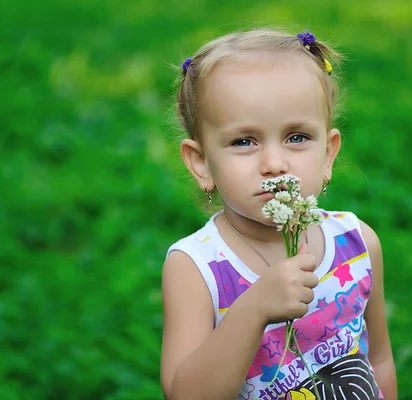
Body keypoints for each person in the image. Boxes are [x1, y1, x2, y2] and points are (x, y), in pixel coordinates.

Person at [161, 28, 397, 400]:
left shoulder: (358, 243)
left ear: (329, 153)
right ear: (202, 162)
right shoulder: (195, 267)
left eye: (297, 137)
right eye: (244, 142)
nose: (275, 163)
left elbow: (378, 360)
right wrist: (253, 309)